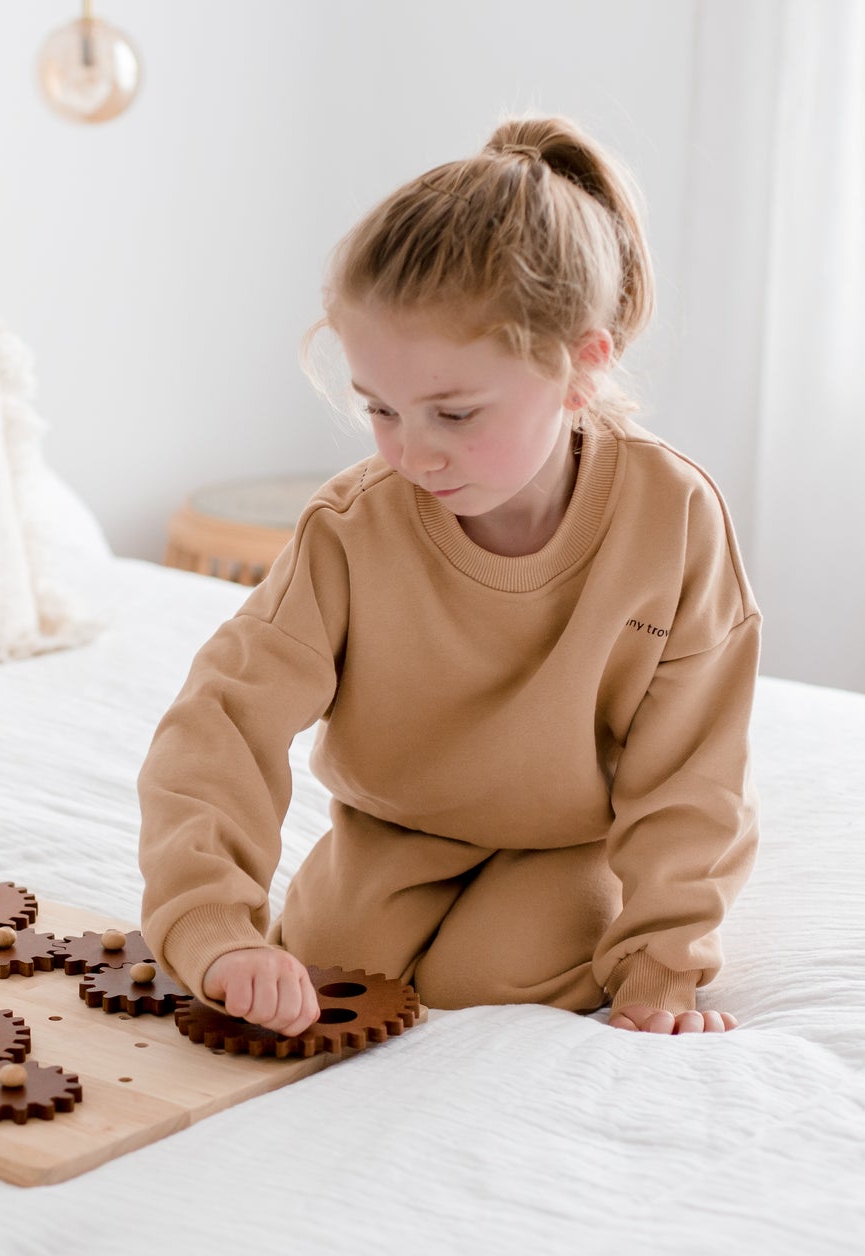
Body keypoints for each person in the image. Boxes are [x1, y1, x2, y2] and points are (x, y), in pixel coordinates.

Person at [136, 115, 760, 1039]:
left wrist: (661, 966)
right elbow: (221, 724)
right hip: (389, 831)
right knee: (331, 970)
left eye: (454, 413)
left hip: (566, 842)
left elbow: (693, 771)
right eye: (380, 409)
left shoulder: (672, 517)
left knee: (487, 979)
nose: (412, 453)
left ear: (580, 367)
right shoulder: (351, 527)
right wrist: (214, 929)